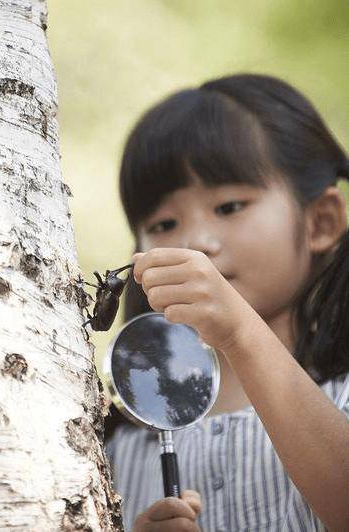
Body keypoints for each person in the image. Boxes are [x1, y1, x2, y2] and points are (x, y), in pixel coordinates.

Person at [105, 73, 349, 532]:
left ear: (321, 221)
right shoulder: (118, 442)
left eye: (230, 207)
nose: (196, 242)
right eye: (163, 224)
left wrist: (239, 332)